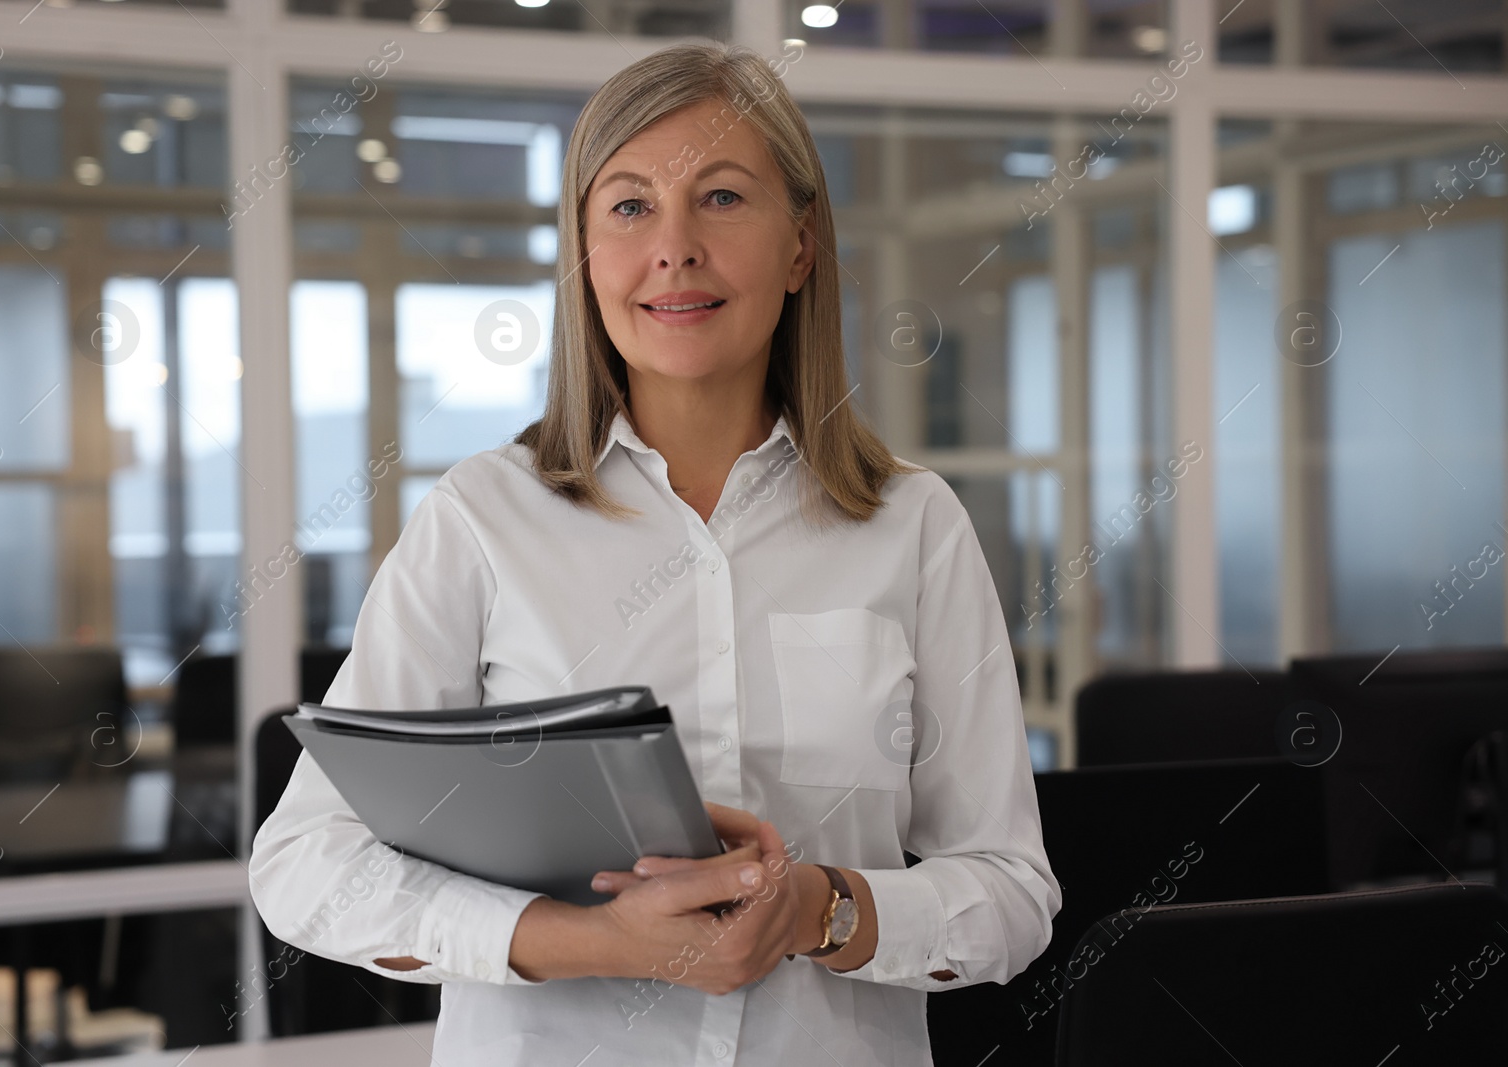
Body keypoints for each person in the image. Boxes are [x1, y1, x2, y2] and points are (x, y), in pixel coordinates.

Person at [249, 39, 1060, 1066]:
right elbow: (305, 863)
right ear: (585, 256)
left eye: (721, 198)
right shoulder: (482, 517)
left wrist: (824, 909)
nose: (673, 247)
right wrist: (585, 940)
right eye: (629, 206)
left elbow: (1009, 890)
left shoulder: (912, 523)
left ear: (801, 245)